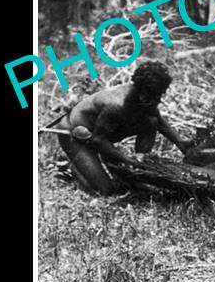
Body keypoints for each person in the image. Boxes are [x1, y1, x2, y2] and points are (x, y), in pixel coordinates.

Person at [57, 61, 193, 195]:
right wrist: (126, 159)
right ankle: (70, 168)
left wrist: (180, 143)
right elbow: (98, 140)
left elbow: (158, 120)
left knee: (151, 121)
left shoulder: (146, 97)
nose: (158, 100)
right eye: (154, 96)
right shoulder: (117, 105)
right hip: (75, 134)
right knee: (104, 190)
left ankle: (139, 160)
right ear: (142, 91)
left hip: (102, 133)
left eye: (159, 95)